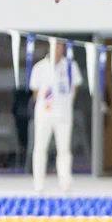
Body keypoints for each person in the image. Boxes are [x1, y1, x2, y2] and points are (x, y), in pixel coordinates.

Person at [28, 41, 81, 193]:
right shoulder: (40, 67)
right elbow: (35, 91)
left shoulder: (71, 66)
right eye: (55, 45)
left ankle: (65, 182)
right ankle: (38, 184)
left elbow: (75, 87)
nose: (58, 49)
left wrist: (66, 102)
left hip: (63, 113)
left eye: (60, 45)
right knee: (40, 148)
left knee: (63, 149)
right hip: (44, 114)